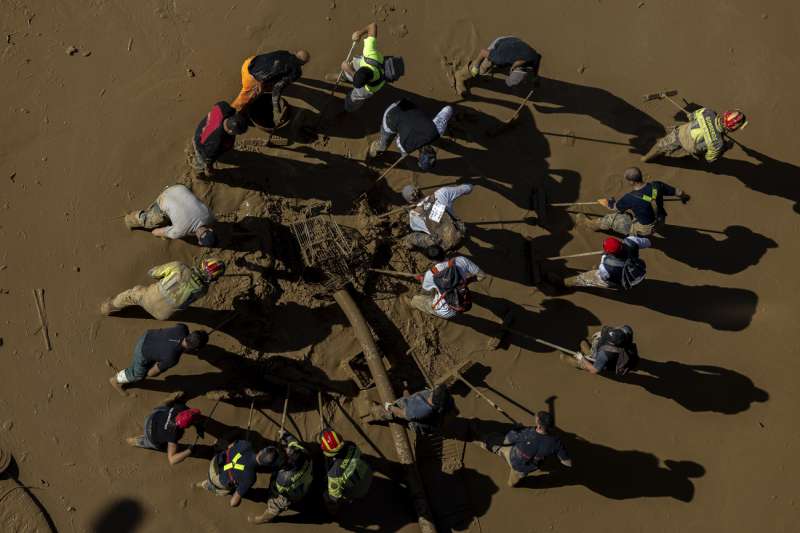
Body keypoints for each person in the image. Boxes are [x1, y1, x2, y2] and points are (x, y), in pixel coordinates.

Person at [576, 167, 690, 236]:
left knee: (613, 219)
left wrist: (605, 202)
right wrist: (684, 197)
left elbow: (616, 207)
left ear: (631, 182)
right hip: (661, 220)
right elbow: (677, 191)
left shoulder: (630, 197)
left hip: (646, 229)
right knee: (632, 214)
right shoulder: (657, 185)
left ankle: (591, 225)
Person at [99, 258, 225, 320]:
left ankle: (108, 307)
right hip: (162, 315)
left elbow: (153, 273)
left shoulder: (179, 267)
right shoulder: (203, 290)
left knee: (132, 294)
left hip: (148, 299)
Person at [476, 411, 571, 487]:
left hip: (513, 458)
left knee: (494, 443)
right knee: (512, 483)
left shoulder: (526, 434)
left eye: (537, 419)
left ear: (539, 425)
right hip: (526, 469)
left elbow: (506, 441)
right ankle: (516, 483)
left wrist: (516, 428)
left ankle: (481, 441)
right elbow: (567, 463)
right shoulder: (556, 442)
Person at [108, 324, 208, 395]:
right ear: (194, 349)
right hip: (142, 352)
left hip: (147, 336)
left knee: (158, 355)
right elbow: (152, 373)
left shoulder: (183, 328)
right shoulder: (172, 358)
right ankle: (115, 380)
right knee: (138, 375)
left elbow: (174, 334)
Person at [368, 98, 453, 171]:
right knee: (384, 143)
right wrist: (404, 153)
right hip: (391, 115)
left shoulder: (438, 129)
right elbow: (398, 139)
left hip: (405, 104)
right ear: (419, 156)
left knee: (407, 126)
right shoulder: (405, 147)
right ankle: (375, 150)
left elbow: (448, 109)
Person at [248, 431, 313, 524]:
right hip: (308, 470)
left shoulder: (283, 479)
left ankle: (264, 519)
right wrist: (286, 435)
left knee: (276, 503)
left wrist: (273, 491)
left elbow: (280, 490)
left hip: (295, 491)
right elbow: (293, 442)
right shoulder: (297, 450)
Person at [641, 108, 747, 163]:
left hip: (680, 132)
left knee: (661, 145)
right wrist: (725, 148)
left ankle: (646, 158)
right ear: (732, 128)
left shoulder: (708, 112)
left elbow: (691, 116)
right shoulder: (718, 143)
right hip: (689, 147)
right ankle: (686, 154)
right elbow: (710, 159)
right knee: (704, 150)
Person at [124, 184, 217, 245]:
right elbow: (156, 232)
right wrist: (164, 235)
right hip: (164, 197)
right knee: (148, 222)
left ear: (210, 229)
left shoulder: (210, 216)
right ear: (199, 241)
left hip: (179, 187)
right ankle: (129, 219)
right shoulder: (180, 231)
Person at [230, 49, 311, 119]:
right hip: (251, 78)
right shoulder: (296, 72)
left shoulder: (283, 52)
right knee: (244, 99)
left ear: (296, 53)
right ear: (303, 64)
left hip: (248, 63)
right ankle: (231, 113)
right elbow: (277, 88)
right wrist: (276, 106)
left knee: (266, 85)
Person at [126, 396, 202, 466]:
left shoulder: (180, 408)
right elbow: (172, 460)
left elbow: (190, 416)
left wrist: (198, 426)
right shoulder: (174, 434)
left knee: (164, 409)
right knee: (154, 443)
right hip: (151, 435)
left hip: (151, 418)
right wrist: (189, 451)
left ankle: (168, 400)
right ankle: (138, 441)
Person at [455, 36, 541, 96]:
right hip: (501, 43)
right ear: (512, 68)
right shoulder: (500, 58)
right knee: (482, 69)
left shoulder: (533, 58)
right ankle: (460, 76)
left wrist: (535, 77)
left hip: (515, 43)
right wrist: (476, 66)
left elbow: (537, 59)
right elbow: (483, 52)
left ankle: (492, 68)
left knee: (498, 65)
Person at [401, 183, 474, 254]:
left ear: (410, 202)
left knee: (412, 237)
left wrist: (410, 211)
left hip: (445, 246)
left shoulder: (413, 219)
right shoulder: (442, 193)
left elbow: (419, 225)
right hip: (463, 234)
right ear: (420, 190)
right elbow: (468, 188)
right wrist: (470, 184)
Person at [409, 256, 485, 319]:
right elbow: (482, 275)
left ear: (432, 260)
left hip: (444, 310)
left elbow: (425, 289)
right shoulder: (461, 260)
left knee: (416, 300)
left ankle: (411, 304)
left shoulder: (430, 275)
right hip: (459, 304)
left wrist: (422, 279)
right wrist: (467, 282)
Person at [320, 429, 373, 514]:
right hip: (368, 475)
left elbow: (334, 498)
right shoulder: (351, 445)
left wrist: (332, 503)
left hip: (358, 490)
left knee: (326, 495)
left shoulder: (334, 474)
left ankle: (332, 513)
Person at [191, 101, 249, 176]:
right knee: (201, 161)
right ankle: (198, 171)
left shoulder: (224, 107)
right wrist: (209, 168)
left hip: (203, 127)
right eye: (238, 133)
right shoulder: (216, 142)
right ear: (230, 131)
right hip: (201, 143)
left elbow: (218, 105)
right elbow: (208, 157)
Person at [196, 439, 258, 507]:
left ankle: (203, 483)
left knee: (228, 462)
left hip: (214, 463)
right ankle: (205, 485)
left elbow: (231, 446)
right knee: (219, 487)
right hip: (218, 480)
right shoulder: (251, 477)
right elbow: (233, 503)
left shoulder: (246, 445)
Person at [340, 22, 386, 112]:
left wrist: (349, 70)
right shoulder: (370, 53)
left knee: (354, 97)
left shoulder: (367, 90)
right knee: (352, 65)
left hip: (364, 88)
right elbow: (372, 26)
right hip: (364, 62)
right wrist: (359, 33)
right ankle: (345, 76)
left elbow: (357, 78)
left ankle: (349, 107)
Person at [376, 385, 454, 434]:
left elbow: (402, 413)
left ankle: (380, 414)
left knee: (393, 412)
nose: (435, 387)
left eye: (436, 389)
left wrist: (389, 406)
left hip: (416, 423)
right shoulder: (442, 401)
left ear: (433, 395)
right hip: (431, 418)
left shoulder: (419, 411)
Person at [568, 325, 639, 375]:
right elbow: (611, 330)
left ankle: (580, 363)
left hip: (609, 362)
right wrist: (601, 333)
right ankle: (589, 354)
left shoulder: (605, 354)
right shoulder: (626, 333)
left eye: (609, 339)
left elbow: (594, 370)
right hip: (629, 358)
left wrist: (582, 358)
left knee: (590, 362)